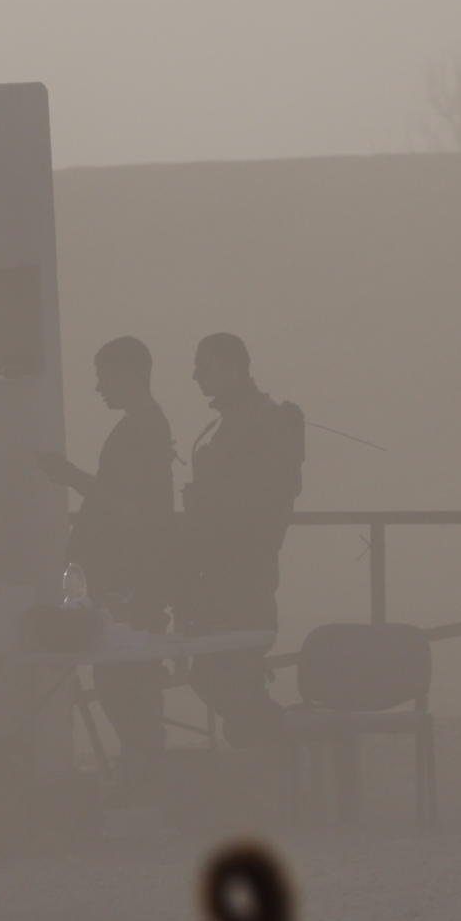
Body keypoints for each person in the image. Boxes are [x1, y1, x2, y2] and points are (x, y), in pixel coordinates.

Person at [37, 336, 177, 795]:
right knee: (124, 679)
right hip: (128, 574)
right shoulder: (143, 428)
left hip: (128, 577)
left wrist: (72, 477)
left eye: (105, 375)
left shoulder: (142, 430)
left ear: (133, 373)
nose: (98, 387)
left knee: (124, 681)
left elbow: (130, 508)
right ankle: (144, 778)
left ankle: (145, 780)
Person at [178, 332, 304, 745]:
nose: (195, 375)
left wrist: (208, 500)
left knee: (229, 674)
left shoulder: (267, 419)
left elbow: (273, 494)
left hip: (244, 574)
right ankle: (269, 761)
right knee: (214, 673)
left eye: (204, 365)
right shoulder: (225, 424)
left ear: (233, 367)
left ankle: (280, 752)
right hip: (212, 573)